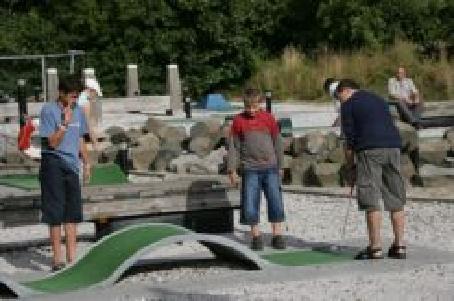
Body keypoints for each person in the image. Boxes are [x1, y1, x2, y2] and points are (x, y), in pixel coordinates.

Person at [337, 79, 407, 260]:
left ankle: (375, 248)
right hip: (393, 147)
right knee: (395, 197)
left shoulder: (348, 105)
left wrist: (350, 166)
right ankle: (399, 246)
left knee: (371, 198)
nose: (339, 101)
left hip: (369, 150)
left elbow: (349, 139)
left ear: (344, 91)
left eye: (339, 97)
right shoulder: (377, 98)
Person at [39, 75, 91, 271]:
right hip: (53, 162)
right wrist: (64, 124)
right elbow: (51, 143)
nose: (74, 100)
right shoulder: (48, 110)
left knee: (73, 213)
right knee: (55, 213)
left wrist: (86, 163)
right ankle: (57, 261)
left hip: (72, 164)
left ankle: (71, 259)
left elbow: (79, 140)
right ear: (61, 92)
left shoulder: (78, 110)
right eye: (71, 96)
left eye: (77, 96)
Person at [227, 88, 286, 251]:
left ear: (260, 104)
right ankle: (256, 236)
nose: (251, 111)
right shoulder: (238, 121)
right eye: (248, 108)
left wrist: (281, 165)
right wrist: (232, 169)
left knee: (275, 200)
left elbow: (278, 143)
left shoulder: (269, 118)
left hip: (271, 167)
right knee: (250, 202)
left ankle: (277, 235)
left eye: (254, 107)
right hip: (250, 169)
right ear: (244, 105)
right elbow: (234, 147)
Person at [77, 77, 102, 149]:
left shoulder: (78, 97)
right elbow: (89, 125)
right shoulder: (85, 102)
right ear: (90, 90)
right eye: (95, 93)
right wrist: (95, 144)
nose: (95, 96)